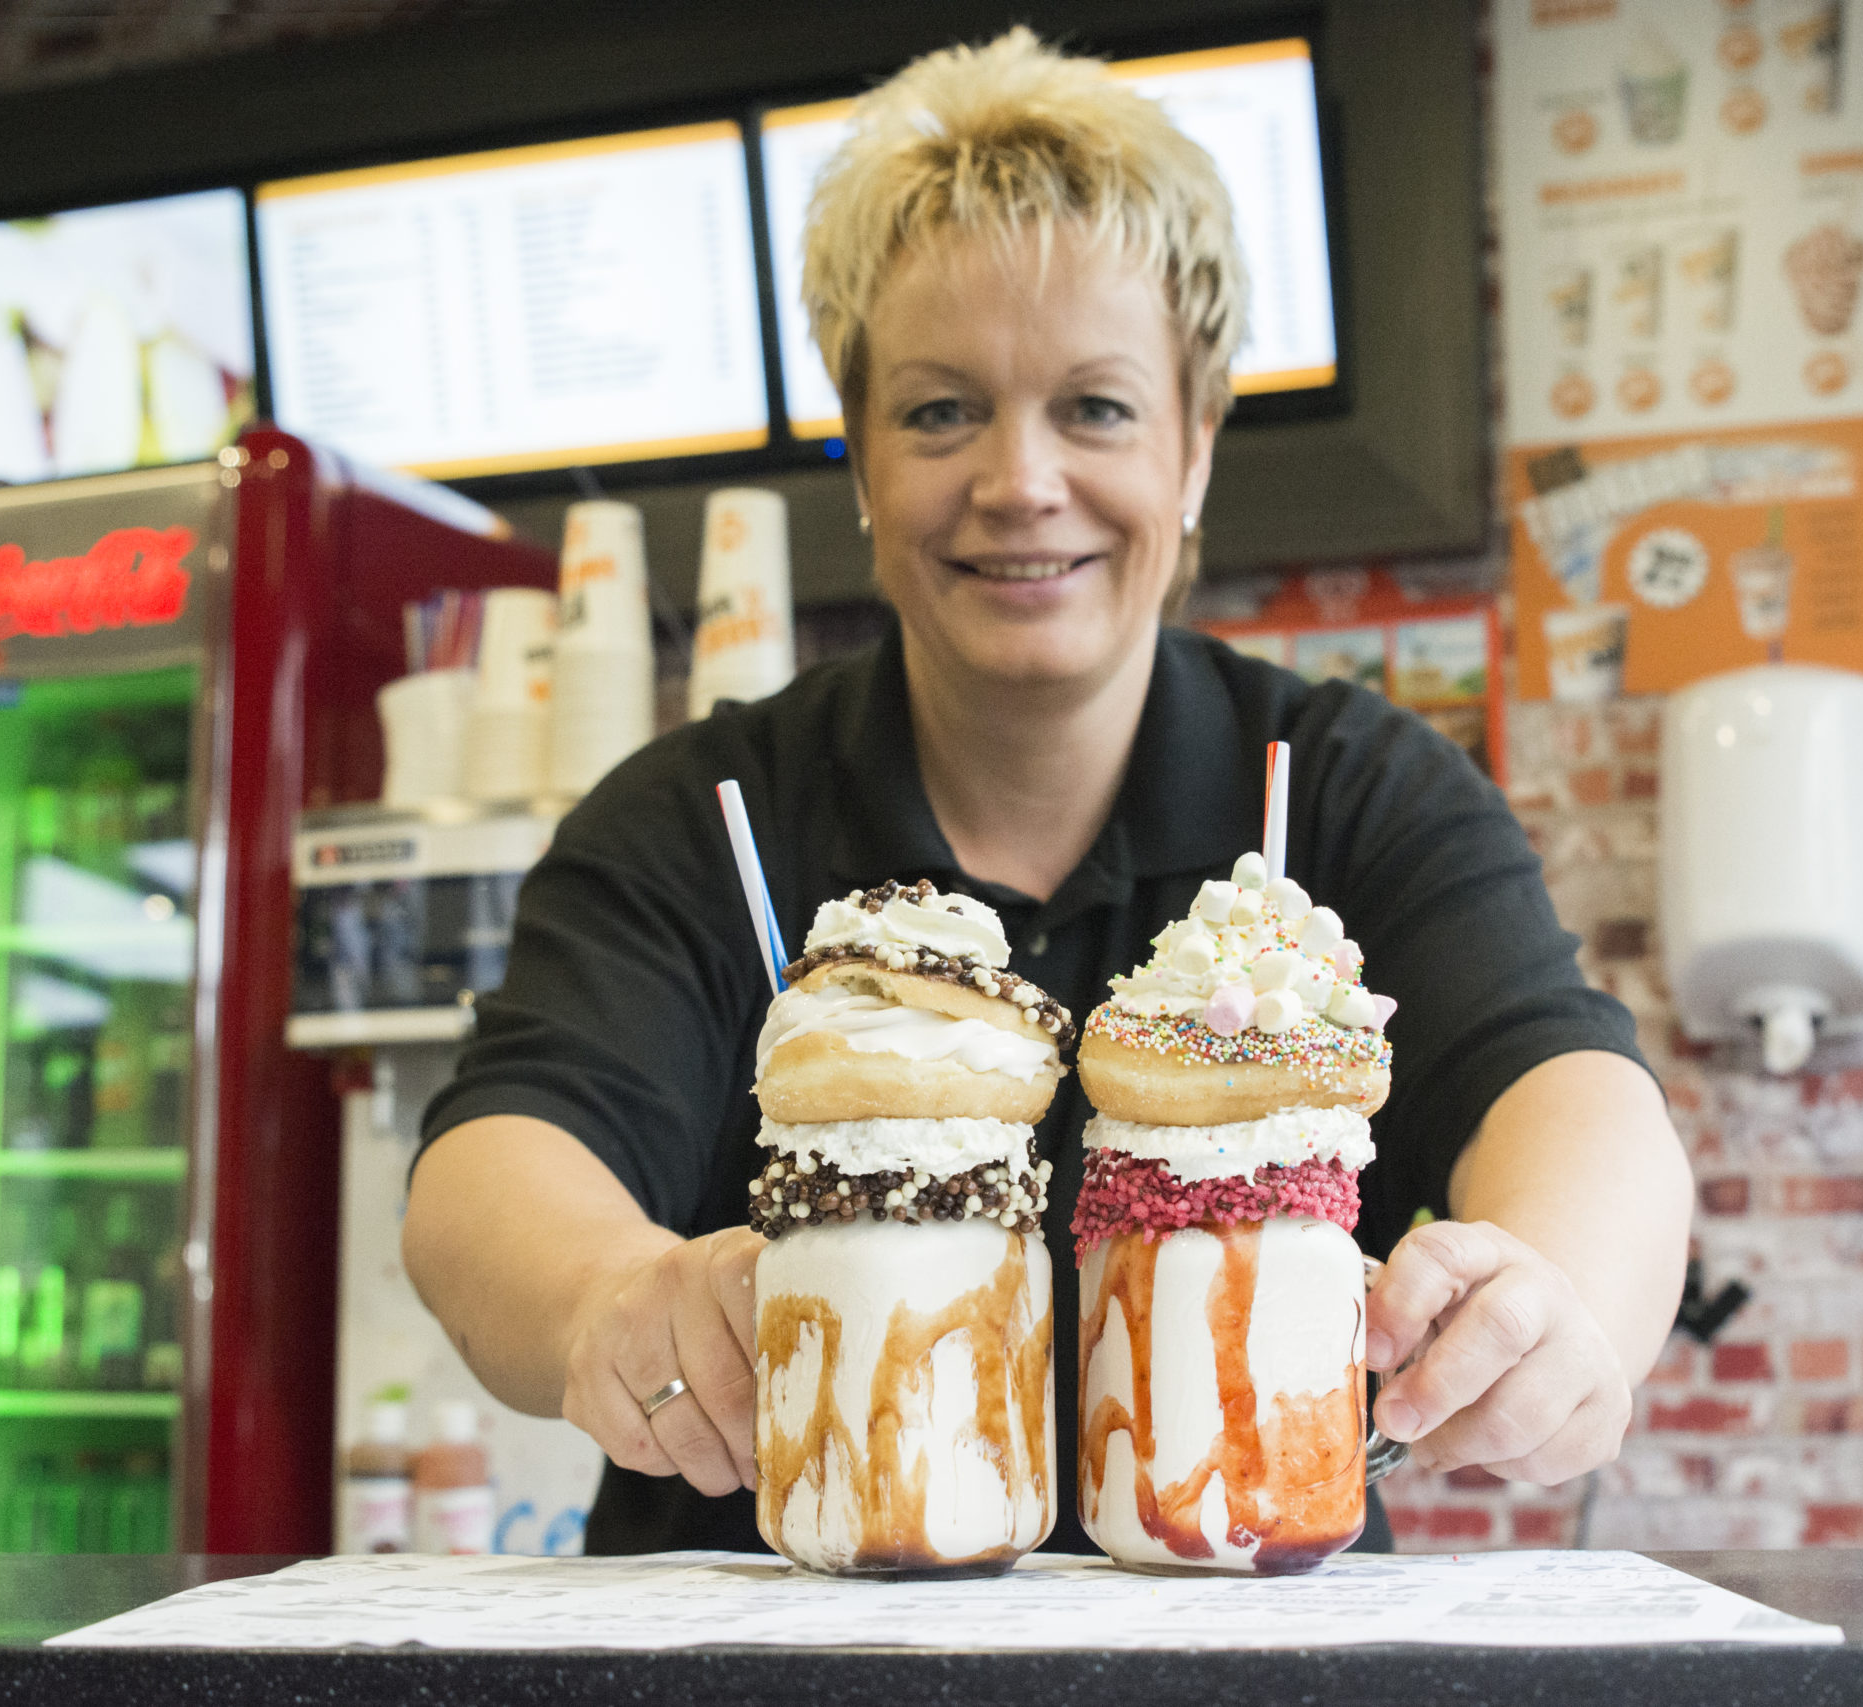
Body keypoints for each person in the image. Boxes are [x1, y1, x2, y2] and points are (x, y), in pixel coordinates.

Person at [405, 28, 1692, 1554]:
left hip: (1236, 1627)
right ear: (862, 459)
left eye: (1096, 408)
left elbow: (1570, 1092)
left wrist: (1555, 1305)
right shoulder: (707, 816)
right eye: (940, 412)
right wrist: (604, 1298)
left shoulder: (1345, 792)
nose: (1020, 482)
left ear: (1196, 449)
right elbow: (495, 1166)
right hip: (762, 1629)